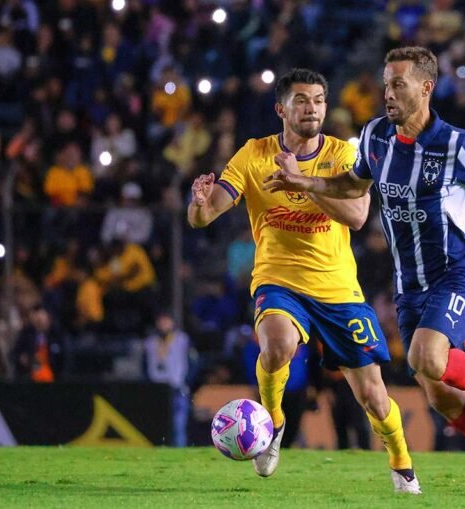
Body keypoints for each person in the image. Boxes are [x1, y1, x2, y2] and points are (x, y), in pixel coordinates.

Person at [264, 47, 465, 498]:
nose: (388, 93)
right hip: (410, 285)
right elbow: (354, 185)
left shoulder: (458, 144)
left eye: (398, 85)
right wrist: (306, 182)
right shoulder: (376, 136)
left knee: (426, 356)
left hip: (457, 274)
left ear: (425, 88)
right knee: (438, 394)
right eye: (386, 84)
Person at [188, 69, 420, 494]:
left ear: (325, 108)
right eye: (300, 100)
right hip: (278, 280)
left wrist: (303, 183)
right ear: (281, 109)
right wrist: (199, 204)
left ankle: (402, 464)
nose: (311, 107)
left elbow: (357, 216)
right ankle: (273, 423)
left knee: (373, 396)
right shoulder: (254, 154)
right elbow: (204, 216)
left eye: (317, 100)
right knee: (277, 344)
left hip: (338, 289)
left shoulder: (343, 155)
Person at [144, 310, 191, 447]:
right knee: (157, 424)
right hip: (157, 388)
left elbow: (192, 362)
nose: (163, 324)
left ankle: (180, 452)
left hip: (177, 387)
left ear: (172, 322)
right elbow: (144, 364)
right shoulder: (150, 342)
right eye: (161, 321)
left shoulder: (182, 340)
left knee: (178, 425)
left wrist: (186, 381)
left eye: (166, 320)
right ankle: (157, 450)